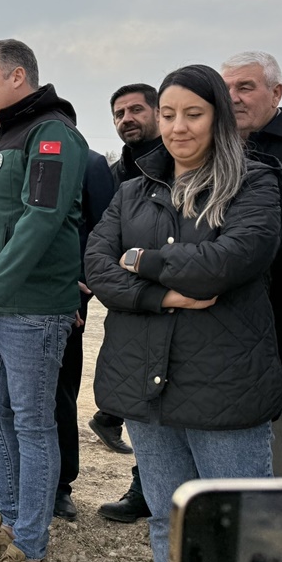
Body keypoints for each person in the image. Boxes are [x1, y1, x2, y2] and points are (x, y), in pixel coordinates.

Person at [85, 64, 282, 562]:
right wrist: (162, 298)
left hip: (224, 388)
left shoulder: (252, 183)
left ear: (218, 117)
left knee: (238, 533)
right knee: (167, 519)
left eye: (193, 114)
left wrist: (143, 261)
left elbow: (228, 261)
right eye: (170, 114)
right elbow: (97, 267)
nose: (178, 127)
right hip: (144, 384)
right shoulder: (132, 191)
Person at [0, 39, 86, 562]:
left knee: (30, 422)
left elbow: (41, 220)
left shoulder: (51, 133)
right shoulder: (6, 136)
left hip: (29, 309)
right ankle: (6, 519)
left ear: (18, 77)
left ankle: (29, 543)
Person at [222, 51, 282, 478]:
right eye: (226, 89)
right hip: (226, 333)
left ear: (276, 93)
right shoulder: (215, 146)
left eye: (245, 87)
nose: (233, 98)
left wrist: (236, 256)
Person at [92, 83, 162, 524]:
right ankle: (144, 490)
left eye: (136, 110)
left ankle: (150, 492)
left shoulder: (176, 164)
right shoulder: (118, 171)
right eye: (119, 114)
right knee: (138, 394)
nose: (126, 119)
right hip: (128, 299)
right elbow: (102, 237)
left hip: (172, 298)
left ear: (158, 111)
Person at [51, 149, 115, 522]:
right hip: (13, 294)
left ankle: (60, 485)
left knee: (59, 393)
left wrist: (79, 284)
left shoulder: (89, 164)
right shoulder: (17, 155)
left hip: (67, 297)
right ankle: (14, 478)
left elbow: (104, 231)